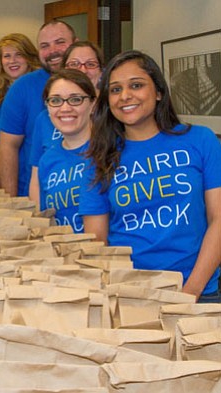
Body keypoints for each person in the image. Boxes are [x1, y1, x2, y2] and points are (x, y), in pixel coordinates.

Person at [80, 50, 221, 302]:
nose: (125, 96)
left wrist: (190, 292)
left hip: (198, 290)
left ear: (158, 92)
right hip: (128, 294)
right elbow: (96, 242)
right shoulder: (99, 158)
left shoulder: (200, 140)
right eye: (115, 90)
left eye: (136, 85)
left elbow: (218, 219)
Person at [0, 20, 77, 196]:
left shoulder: (96, 84)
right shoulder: (23, 87)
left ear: (75, 43)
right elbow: (8, 147)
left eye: (60, 42)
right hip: (37, 197)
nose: (53, 51)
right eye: (45, 45)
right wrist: (11, 202)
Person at [29, 41, 104, 206]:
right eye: (74, 64)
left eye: (90, 64)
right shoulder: (45, 121)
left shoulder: (116, 114)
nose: (82, 69)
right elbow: (38, 177)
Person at [37, 69, 96, 232]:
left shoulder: (110, 149)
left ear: (92, 104)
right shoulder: (47, 161)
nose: (65, 108)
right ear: (47, 108)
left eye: (75, 99)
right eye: (55, 101)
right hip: (66, 253)